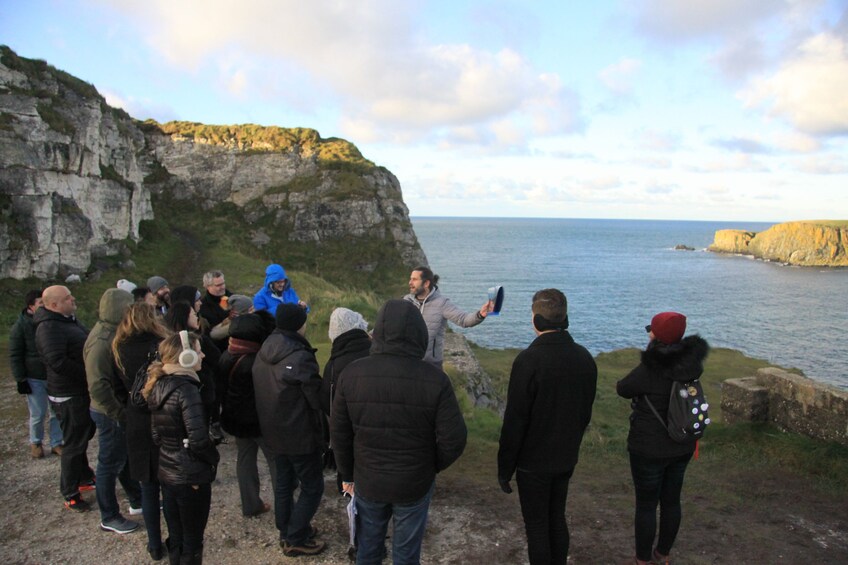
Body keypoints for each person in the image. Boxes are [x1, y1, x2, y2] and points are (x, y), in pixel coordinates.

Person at [331, 299, 468, 564]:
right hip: (414, 482)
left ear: (378, 331)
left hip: (369, 479)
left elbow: (340, 432)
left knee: (368, 549)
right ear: (418, 333)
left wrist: (348, 473)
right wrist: (430, 466)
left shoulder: (352, 374)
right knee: (406, 554)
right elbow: (455, 438)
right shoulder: (435, 379)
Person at [497, 288, 597, 565]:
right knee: (556, 517)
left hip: (533, 461)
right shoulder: (584, 358)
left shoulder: (529, 361)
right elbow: (585, 412)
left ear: (536, 321)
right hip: (566, 456)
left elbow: (515, 420)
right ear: (564, 319)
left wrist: (505, 467)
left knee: (537, 526)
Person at [616, 312, 709, 565]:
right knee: (671, 501)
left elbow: (623, 388)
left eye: (652, 330)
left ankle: (643, 560)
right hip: (682, 443)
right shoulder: (692, 363)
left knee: (646, 505)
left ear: (656, 335)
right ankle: (663, 554)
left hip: (648, 447)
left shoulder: (651, 367)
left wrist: (651, 350)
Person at [253, 303, 326, 557]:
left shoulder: (265, 348)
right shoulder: (300, 356)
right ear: (299, 324)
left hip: (273, 429)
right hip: (300, 433)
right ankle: (295, 536)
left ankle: (288, 530)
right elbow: (316, 398)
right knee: (312, 486)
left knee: (284, 483)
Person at [144, 331, 220, 565]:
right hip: (190, 475)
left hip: (168, 471)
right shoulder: (187, 390)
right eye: (198, 351)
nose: (203, 355)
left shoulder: (159, 384)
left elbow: (156, 435)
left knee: (176, 536)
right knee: (193, 541)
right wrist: (212, 458)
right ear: (185, 357)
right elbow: (198, 440)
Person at [113, 302, 171, 561]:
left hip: (136, 417)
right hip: (162, 412)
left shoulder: (118, 347)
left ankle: (154, 543)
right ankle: (176, 537)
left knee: (148, 487)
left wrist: (126, 409)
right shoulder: (163, 344)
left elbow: (115, 384)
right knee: (169, 483)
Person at [84, 288, 142, 534]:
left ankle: (137, 500)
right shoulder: (101, 341)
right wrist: (118, 412)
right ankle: (109, 515)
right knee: (109, 463)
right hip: (109, 412)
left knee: (124, 456)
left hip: (116, 409)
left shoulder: (112, 332)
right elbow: (97, 385)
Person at [33, 285, 96, 512]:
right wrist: (88, 373)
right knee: (73, 442)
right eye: (68, 298)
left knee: (82, 434)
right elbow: (57, 362)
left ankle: (84, 476)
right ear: (53, 305)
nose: (73, 299)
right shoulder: (49, 327)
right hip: (68, 393)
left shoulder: (67, 320)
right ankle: (70, 492)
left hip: (78, 390)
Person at [217, 312, 278, 517]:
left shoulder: (226, 356)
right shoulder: (258, 362)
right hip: (259, 422)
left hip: (236, 419)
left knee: (245, 460)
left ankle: (250, 504)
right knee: (276, 463)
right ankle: (285, 506)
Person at [320, 307, 371, 493]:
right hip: (371, 425)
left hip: (346, 428)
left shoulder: (335, 363)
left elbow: (326, 399)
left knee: (348, 463)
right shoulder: (374, 352)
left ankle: (349, 494)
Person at [403, 266, 492, 369]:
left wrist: (480, 314)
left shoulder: (442, 303)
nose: (410, 282)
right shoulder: (406, 301)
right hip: (408, 362)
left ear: (426, 283)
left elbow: (464, 320)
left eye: (414, 279)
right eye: (410, 279)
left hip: (431, 365)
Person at [9, 289, 63, 458]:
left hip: (53, 375)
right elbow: (15, 354)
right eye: (40, 303)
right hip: (35, 377)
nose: (43, 306)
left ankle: (57, 443)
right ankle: (36, 443)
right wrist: (20, 379)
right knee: (38, 413)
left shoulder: (52, 320)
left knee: (56, 412)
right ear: (31, 306)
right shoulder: (21, 326)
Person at [164, 301, 223, 444]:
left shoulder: (167, 341)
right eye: (193, 315)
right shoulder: (194, 342)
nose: (197, 317)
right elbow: (217, 358)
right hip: (203, 392)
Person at [198, 270, 232, 337]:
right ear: (207, 286)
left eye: (223, 283)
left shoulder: (235, 299)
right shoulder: (202, 307)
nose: (222, 287)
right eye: (218, 285)